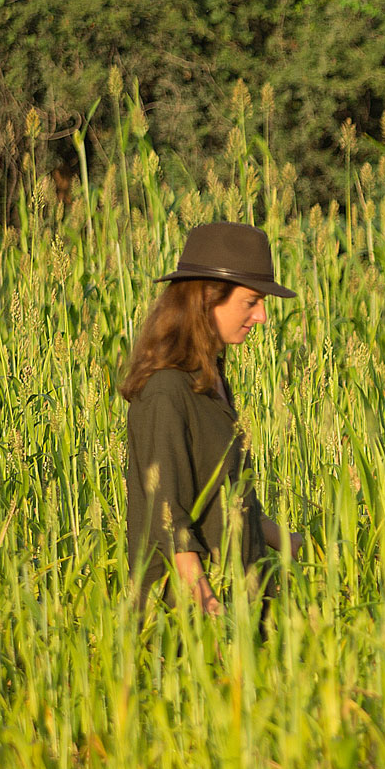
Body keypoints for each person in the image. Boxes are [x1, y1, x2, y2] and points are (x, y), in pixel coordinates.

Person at [122, 222, 302, 618]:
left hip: (239, 599)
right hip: (183, 623)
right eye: (251, 301)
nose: (263, 316)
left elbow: (232, 499)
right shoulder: (166, 391)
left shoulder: (209, 382)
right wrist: (208, 604)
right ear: (206, 298)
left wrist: (294, 543)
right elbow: (167, 514)